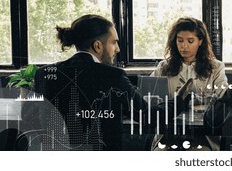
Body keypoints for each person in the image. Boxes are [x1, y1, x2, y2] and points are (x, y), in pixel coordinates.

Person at [22, 14, 192, 151]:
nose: (117, 49)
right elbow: (148, 118)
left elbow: (28, 121)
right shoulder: (113, 76)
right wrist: (179, 100)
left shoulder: (43, 74)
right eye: (114, 42)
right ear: (98, 46)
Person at [151, 17, 228, 101]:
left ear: (200, 41)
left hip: (203, 113)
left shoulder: (216, 67)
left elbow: (223, 97)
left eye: (190, 41)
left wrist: (199, 99)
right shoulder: (163, 67)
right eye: (180, 40)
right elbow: (148, 93)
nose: (184, 46)